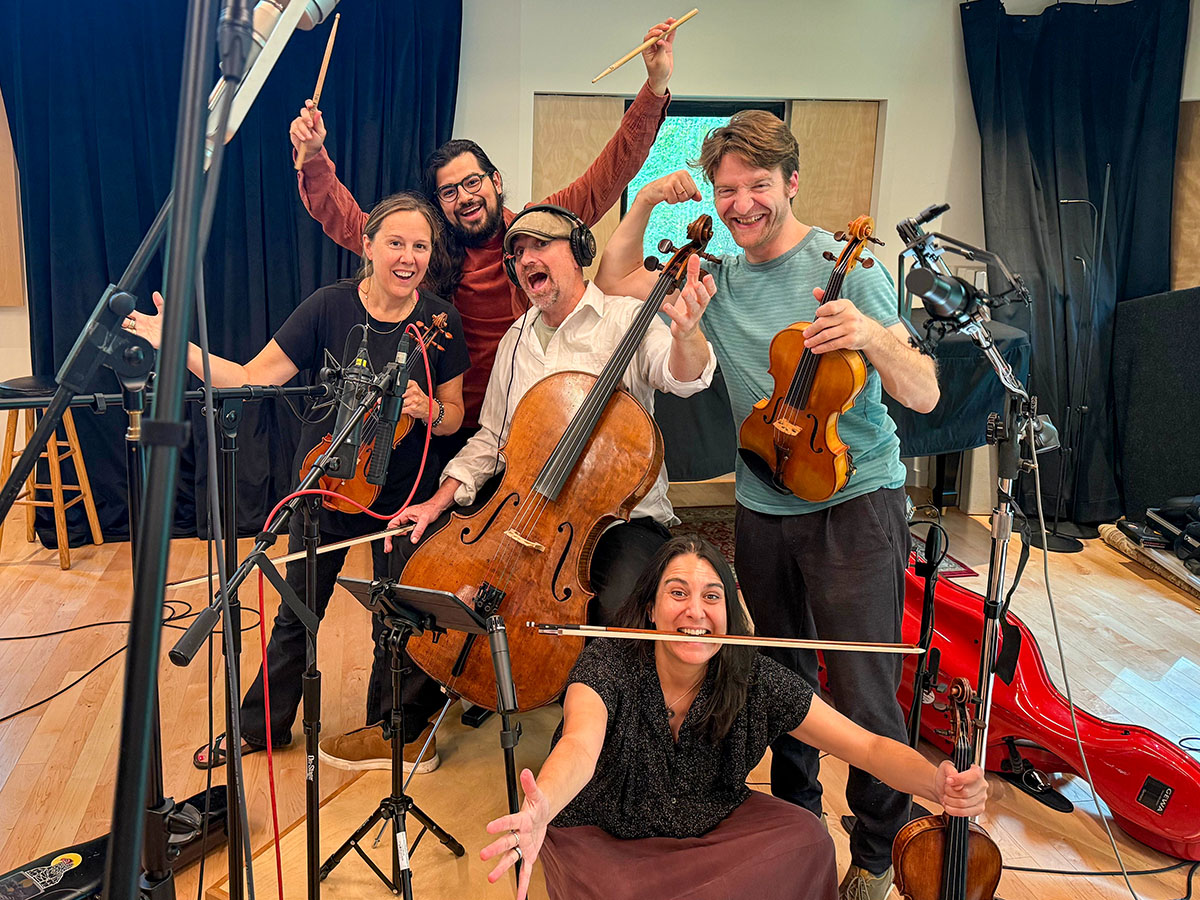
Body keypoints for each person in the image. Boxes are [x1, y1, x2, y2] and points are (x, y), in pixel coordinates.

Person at [595, 110, 941, 899]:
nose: (742, 204)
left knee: (863, 688)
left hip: (856, 502)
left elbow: (923, 392)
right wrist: (644, 200)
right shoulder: (716, 276)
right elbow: (613, 279)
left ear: (792, 183)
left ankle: (878, 853)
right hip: (763, 501)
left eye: (758, 185)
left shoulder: (849, 268)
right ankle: (796, 825)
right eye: (727, 190)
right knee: (778, 678)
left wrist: (871, 335)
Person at [125, 192, 470, 773]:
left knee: (400, 619)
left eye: (420, 246)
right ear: (368, 245)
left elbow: (456, 414)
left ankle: (396, 729)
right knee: (296, 613)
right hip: (325, 485)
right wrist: (176, 345)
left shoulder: (441, 320)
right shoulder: (329, 306)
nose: (409, 257)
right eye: (396, 243)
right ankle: (261, 726)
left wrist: (429, 409)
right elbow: (249, 377)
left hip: (403, 500)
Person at [479, 535, 987, 900]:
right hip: (604, 831)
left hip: (705, 821)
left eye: (711, 596)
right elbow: (579, 745)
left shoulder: (754, 677)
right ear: (651, 609)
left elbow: (868, 747)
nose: (695, 612)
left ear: (729, 613)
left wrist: (937, 782)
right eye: (678, 593)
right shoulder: (607, 662)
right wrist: (543, 807)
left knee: (809, 838)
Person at [287, 19, 680, 443]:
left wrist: (654, 86)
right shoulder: (428, 251)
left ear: (495, 180)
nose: (464, 197)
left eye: (472, 182)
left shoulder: (537, 227)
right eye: (449, 191)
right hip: (449, 426)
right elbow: (349, 221)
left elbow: (607, 176)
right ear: (439, 203)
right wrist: (314, 156)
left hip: (532, 421)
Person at [387, 204, 716, 627]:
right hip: (528, 507)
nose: (526, 259)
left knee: (621, 609)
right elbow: (492, 438)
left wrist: (687, 336)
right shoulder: (515, 339)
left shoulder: (625, 318)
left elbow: (682, 377)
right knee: (436, 567)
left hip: (618, 522)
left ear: (578, 252)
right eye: (518, 253)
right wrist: (436, 503)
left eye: (540, 245)